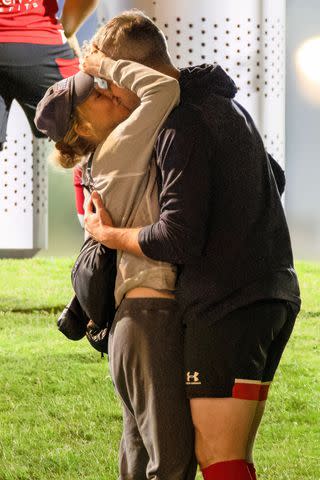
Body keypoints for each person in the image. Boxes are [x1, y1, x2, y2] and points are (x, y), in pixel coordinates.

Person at [84, 10, 301, 480]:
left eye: (111, 85)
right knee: (233, 457)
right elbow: (274, 177)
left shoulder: (182, 124)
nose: (114, 99)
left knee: (219, 459)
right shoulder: (227, 107)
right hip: (272, 294)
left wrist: (106, 235)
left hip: (228, 305)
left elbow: (176, 237)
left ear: (132, 75)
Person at [35, 51, 197, 479]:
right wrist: (104, 63)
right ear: (84, 126)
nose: (108, 92)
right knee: (174, 463)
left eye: (102, 87)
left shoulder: (98, 163)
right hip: (151, 321)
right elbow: (165, 89)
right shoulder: (120, 151)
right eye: (98, 96)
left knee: (139, 461)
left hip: (131, 327)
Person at [0, 0, 99, 224]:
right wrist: (69, 28)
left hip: (34, 39)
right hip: (37, 38)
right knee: (92, 130)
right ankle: (96, 238)